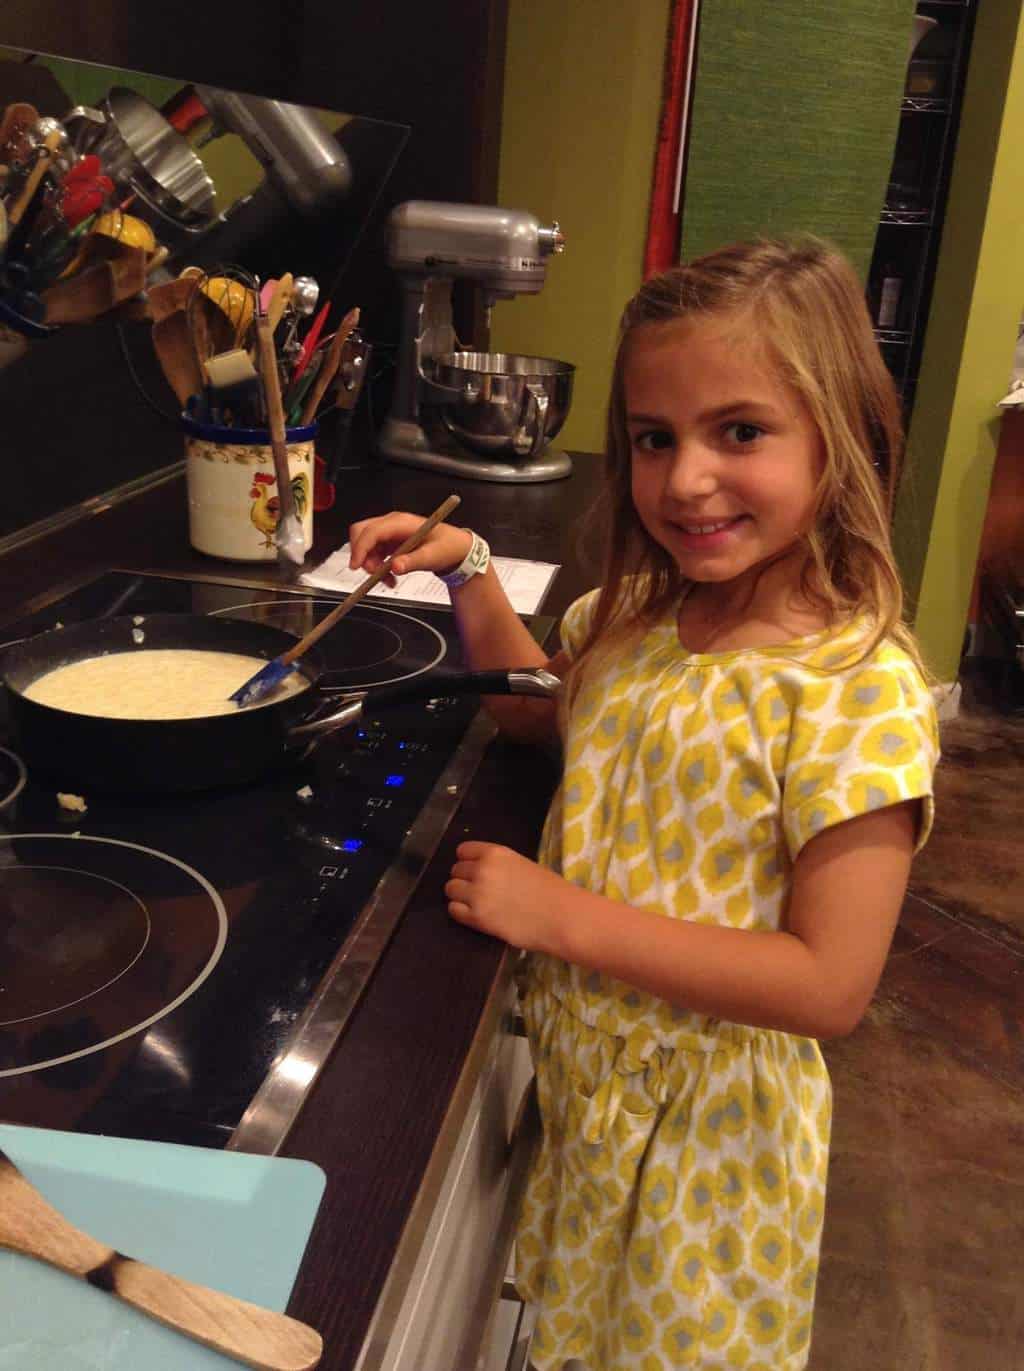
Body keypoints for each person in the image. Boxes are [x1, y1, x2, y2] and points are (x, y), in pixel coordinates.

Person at [348, 236, 939, 1371]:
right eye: (652, 439)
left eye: (741, 432)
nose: (684, 480)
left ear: (843, 437)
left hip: (709, 1157)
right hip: (595, 1102)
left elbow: (829, 986)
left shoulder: (855, 691)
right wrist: (465, 567)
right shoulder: (637, 619)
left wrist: (559, 917)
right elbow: (553, 711)